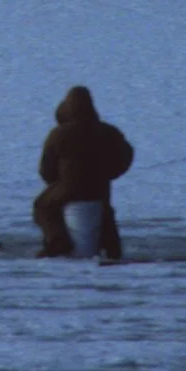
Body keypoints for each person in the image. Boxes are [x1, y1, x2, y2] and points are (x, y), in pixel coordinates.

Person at [33, 85, 133, 260]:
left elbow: (45, 169)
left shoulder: (58, 134)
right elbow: (126, 155)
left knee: (42, 206)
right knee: (106, 214)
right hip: (99, 187)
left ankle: (58, 241)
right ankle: (112, 249)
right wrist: (110, 173)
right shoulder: (108, 132)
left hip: (68, 189)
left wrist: (56, 182)